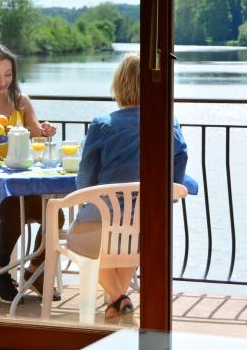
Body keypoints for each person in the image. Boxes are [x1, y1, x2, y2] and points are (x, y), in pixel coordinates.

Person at [66, 53, 198, 319]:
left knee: (78, 241)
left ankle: (119, 299)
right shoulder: (168, 123)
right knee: (132, 239)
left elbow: (85, 181)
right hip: (144, 223)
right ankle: (118, 305)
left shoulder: (102, 125)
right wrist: (166, 197)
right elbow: (179, 164)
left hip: (100, 222)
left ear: (119, 84)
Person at [0, 43, 64, 303]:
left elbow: (37, 133)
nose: (3, 81)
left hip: (18, 187)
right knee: (10, 204)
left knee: (55, 213)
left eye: (8, 74)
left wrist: (47, 129)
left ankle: (34, 270)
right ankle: (0, 272)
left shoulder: (21, 102)